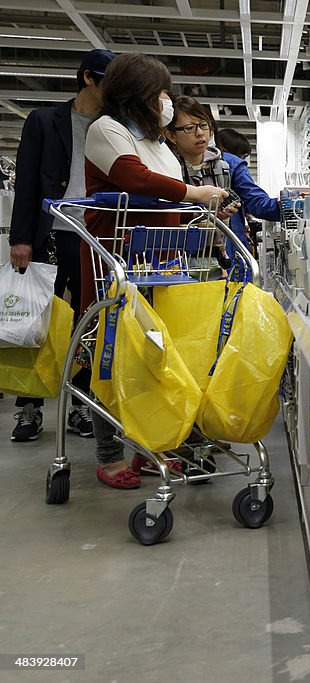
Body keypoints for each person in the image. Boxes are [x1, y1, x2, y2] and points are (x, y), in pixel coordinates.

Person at [83, 53, 228, 489]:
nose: (166, 102)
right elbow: (135, 179)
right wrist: (194, 190)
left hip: (161, 262)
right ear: (140, 95)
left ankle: (152, 445)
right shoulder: (105, 130)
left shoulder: (160, 143)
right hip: (117, 260)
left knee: (154, 355)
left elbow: (172, 200)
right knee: (111, 354)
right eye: (161, 93)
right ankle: (108, 453)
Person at [7, 48, 116, 442]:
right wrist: (20, 238)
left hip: (96, 236)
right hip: (50, 232)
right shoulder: (44, 121)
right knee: (35, 323)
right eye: (109, 81)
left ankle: (81, 405)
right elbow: (27, 184)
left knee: (89, 323)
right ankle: (29, 409)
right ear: (89, 78)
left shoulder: (114, 127)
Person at [166, 102, 281, 272]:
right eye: (189, 128)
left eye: (204, 125)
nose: (199, 133)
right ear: (171, 135)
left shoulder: (228, 165)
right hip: (175, 260)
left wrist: (287, 205)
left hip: (227, 257)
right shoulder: (164, 166)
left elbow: (257, 202)